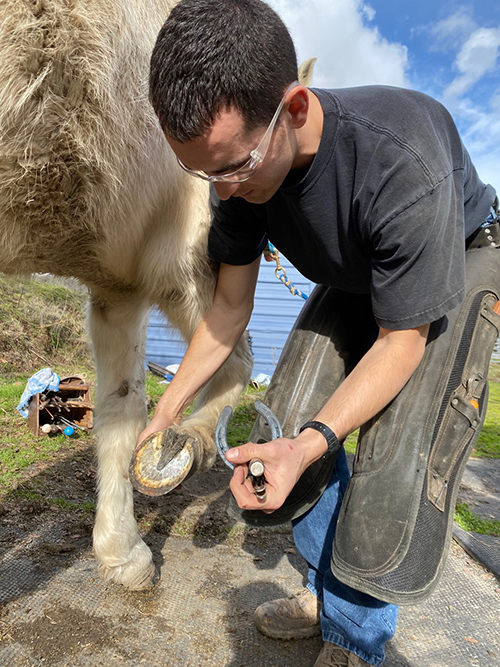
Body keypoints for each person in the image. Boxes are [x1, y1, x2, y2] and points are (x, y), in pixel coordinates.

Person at [141, 0, 499, 665]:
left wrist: (316, 442)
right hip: (359, 266)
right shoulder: (239, 178)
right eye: (202, 173)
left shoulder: (402, 161)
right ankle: (323, 588)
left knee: (394, 453)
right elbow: (227, 311)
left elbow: (401, 342)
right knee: (288, 421)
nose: (219, 192)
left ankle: (358, 639)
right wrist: (165, 409)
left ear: (295, 110)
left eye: (231, 168)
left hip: (457, 254)